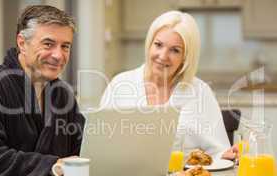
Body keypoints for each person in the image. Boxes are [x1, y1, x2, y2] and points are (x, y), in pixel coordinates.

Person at [0, 5, 85, 176]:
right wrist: (52, 165)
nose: (58, 55)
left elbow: (81, 148)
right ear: (22, 43)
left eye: (65, 46)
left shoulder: (63, 95)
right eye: (48, 44)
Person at [100, 11, 237, 160]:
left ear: (185, 58)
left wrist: (227, 155)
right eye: (158, 45)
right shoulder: (120, 85)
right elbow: (100, 147)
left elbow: (219, 153)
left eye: (175, 50)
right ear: (149, 44)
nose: (163, 56)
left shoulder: (200, 92)